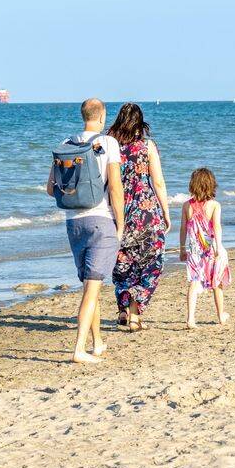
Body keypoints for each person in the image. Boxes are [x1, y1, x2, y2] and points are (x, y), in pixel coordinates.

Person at [47, 98, 124, 363]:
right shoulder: (109, 143)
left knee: (91, 284)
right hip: (100, 220)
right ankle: (79, 350)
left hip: (73, 223)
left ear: (83, 116)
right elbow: (115, 188)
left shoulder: (66, 144)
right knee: (92, 288)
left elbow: (50, 189)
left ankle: (97, 342)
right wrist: (121, 224)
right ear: (102, 117)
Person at [107, 103, 171, 332]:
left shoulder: (110, 146)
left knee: (122, 264)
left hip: (118, 213)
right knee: (152, 264)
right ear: (140, 123)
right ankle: (134, 314)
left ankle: (122, 310)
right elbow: (158, 182)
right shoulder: (147, 146)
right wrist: (166, 211)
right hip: (147, 214)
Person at [179, 167, 231, 328]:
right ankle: (221, 316)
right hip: (211, 249)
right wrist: (218, 247)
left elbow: (183, 229)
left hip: (194, 250)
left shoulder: (186, 206)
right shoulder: (214, 205)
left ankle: (190, 319)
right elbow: (217, 227)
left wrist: (182, 248)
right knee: (217, 282)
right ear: (211, 185)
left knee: (194, 282)